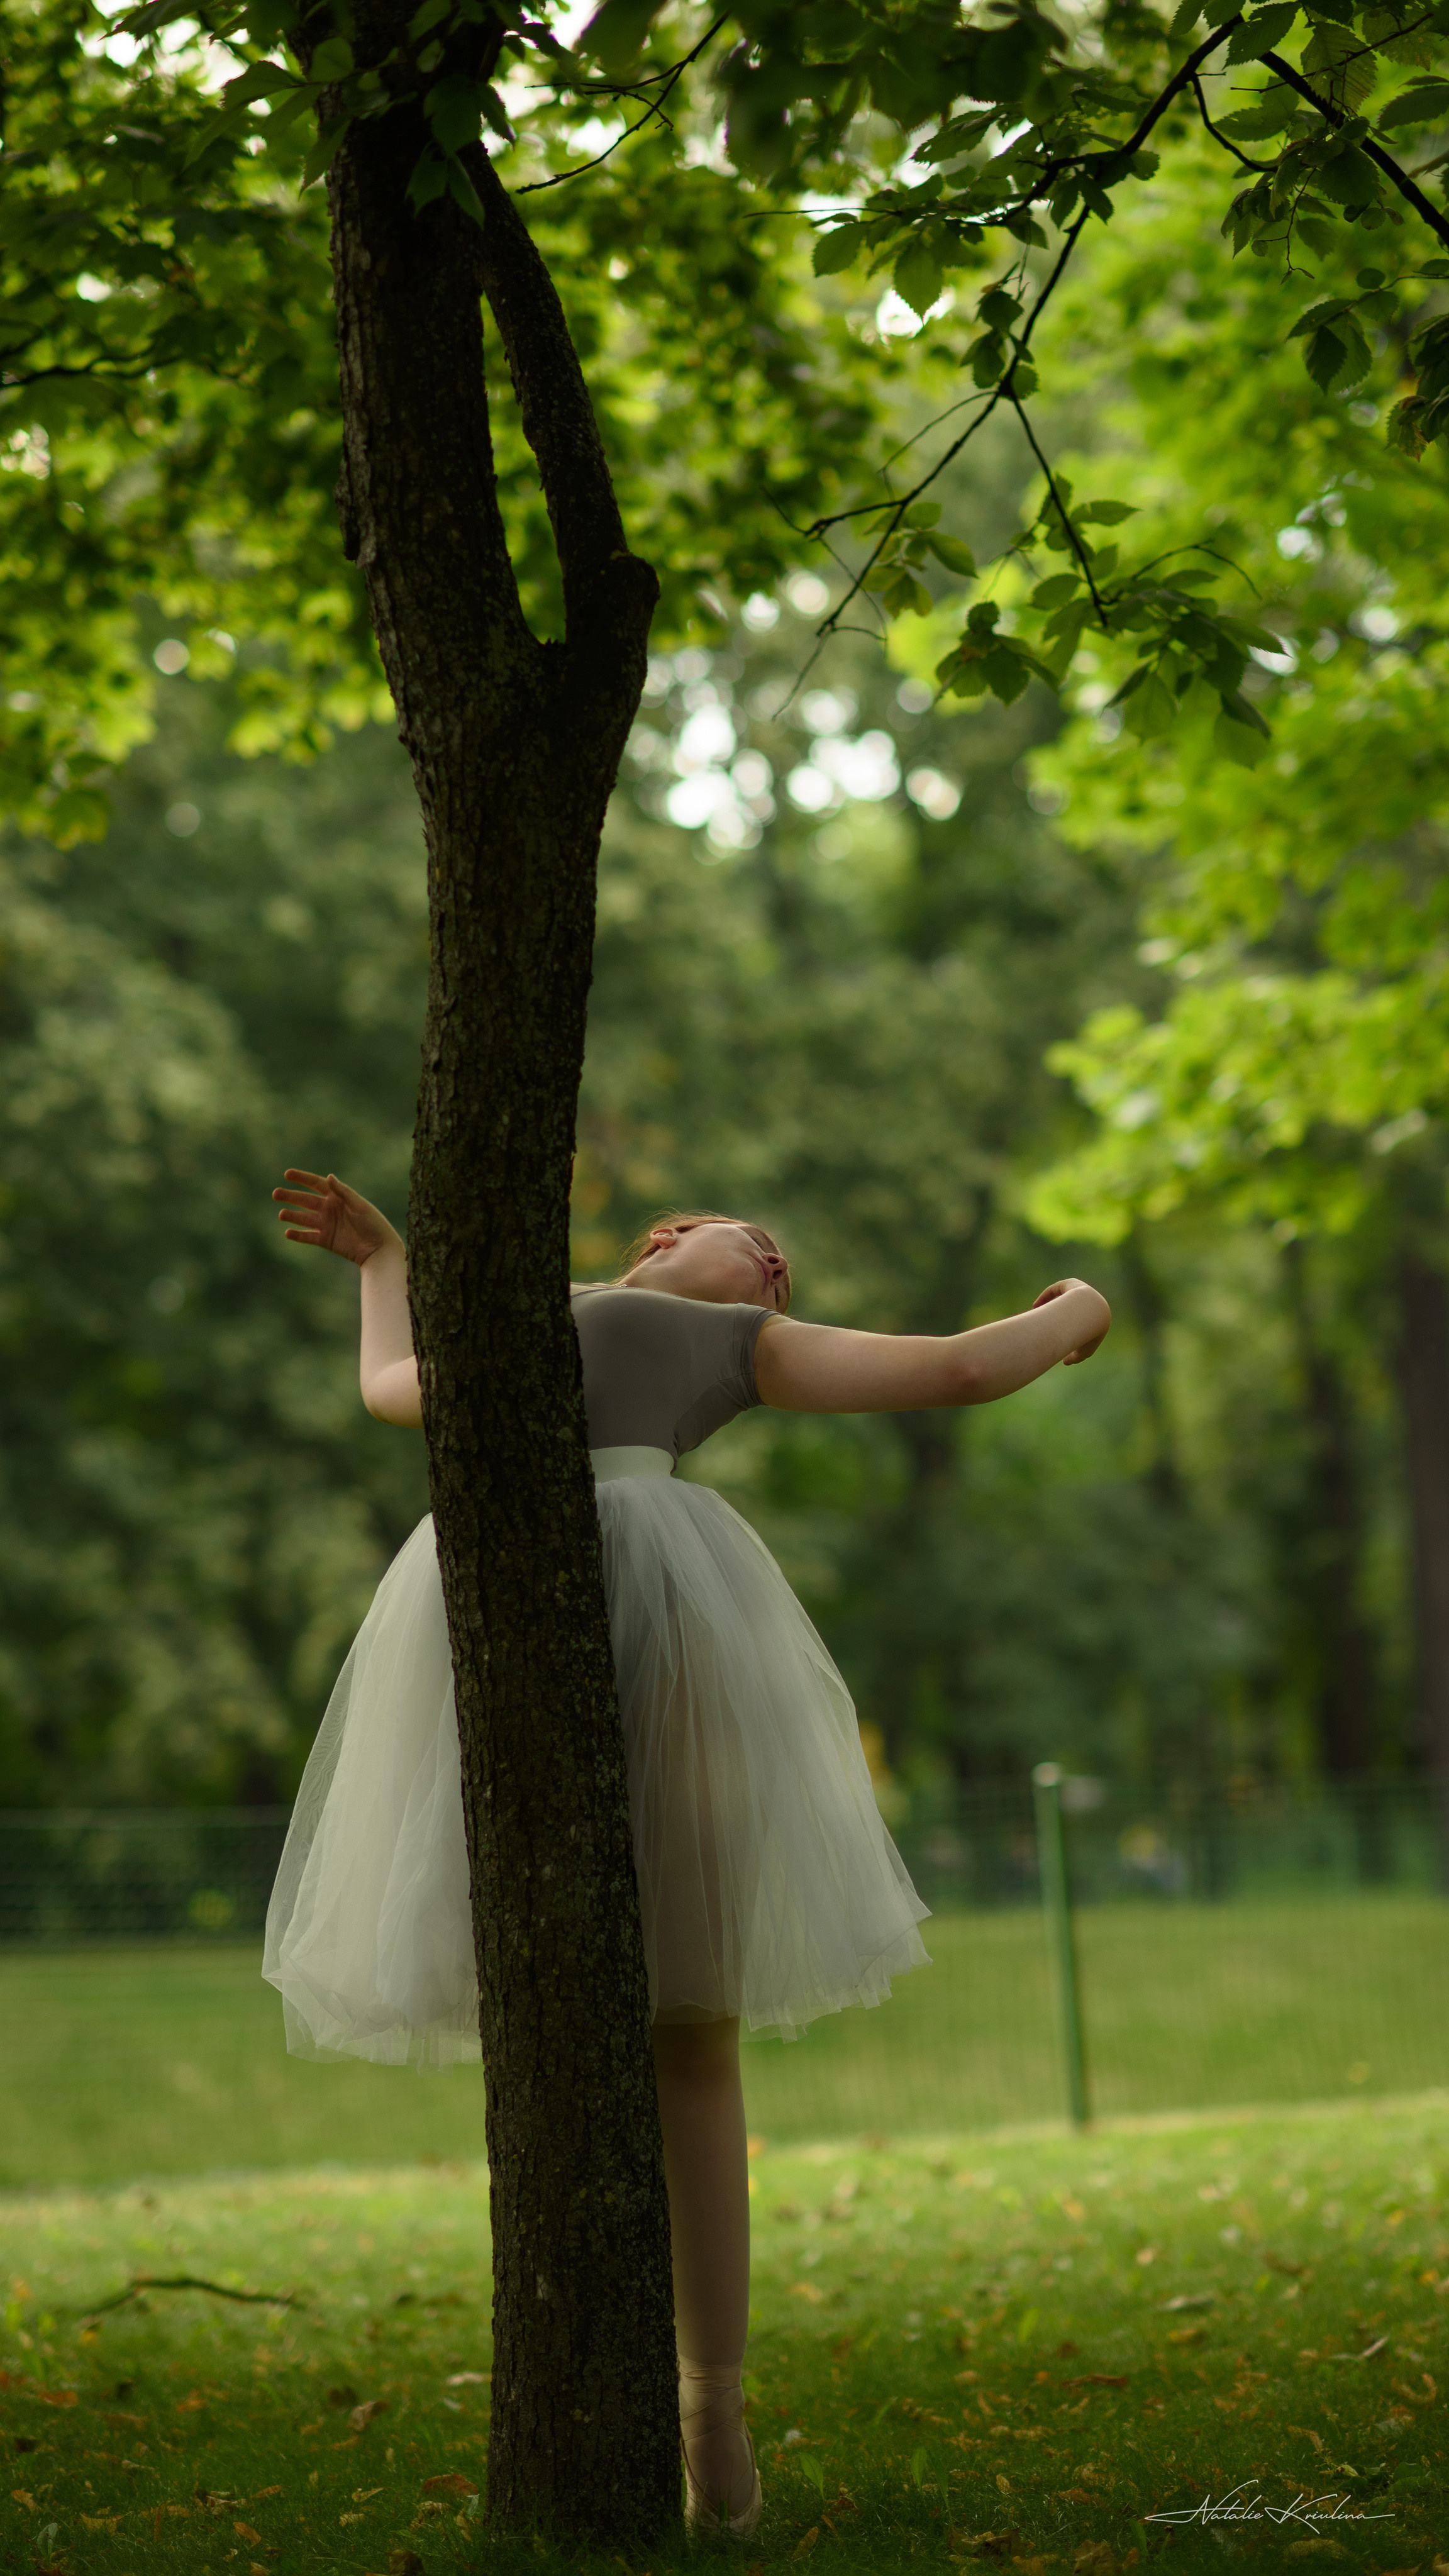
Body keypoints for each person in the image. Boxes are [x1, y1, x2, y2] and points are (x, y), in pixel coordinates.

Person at [263, 1169, 1111, 2534]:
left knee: (692, 2029)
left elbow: (956, 1368)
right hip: (496, 1620)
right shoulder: (531, 1316)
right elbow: (394, 1390)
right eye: (757, 1241)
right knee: (566, 2006)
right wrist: (383, 1260)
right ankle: (665, 2391)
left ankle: (709, 2405)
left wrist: (1079, 1304)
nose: (777, 1270)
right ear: (663, 1238)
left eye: (786, 1271)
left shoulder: (727, 1348)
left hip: (669, 1642)